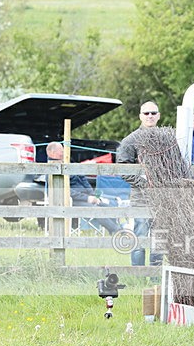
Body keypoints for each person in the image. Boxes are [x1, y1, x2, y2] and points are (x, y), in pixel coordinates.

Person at [116, 101, 163, 267]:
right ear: (140, 116)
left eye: (153, 113)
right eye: (146, 113)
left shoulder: (166, 138)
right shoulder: (131, 140)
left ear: (158, 115)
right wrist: (145, 184)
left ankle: (157, 275)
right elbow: (123, 168)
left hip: (163, 197)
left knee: (160, 238)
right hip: (140, 197)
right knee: (140, 234)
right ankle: (138, 274)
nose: (150, 116)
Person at [46, 141, 123, 235]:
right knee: (95, 209)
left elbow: (84, 180)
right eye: (61, 151)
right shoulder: (51, 169)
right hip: (70, 200)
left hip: (85, 197)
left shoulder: (69, 163)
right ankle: (118, 232)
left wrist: (93, 195)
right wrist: (87, 198)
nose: (63, 152)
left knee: (107, 207)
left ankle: (116, 232)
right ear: (52, 153)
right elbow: (66, 192)